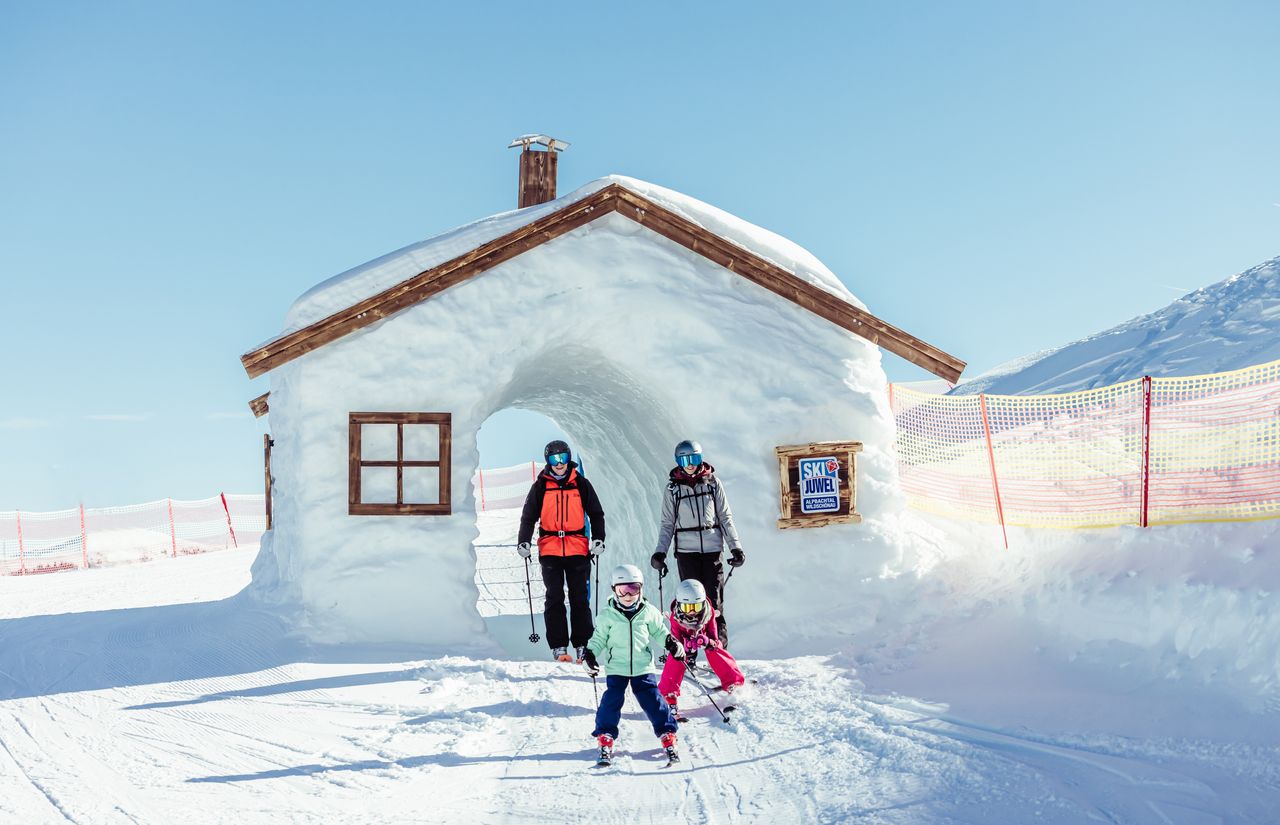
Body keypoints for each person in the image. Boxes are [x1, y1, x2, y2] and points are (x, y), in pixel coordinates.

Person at [581, 564, 683, 765]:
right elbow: (598, 638)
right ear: (614, 590)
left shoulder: (648, 612)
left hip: (642, 667)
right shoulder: (607, 615)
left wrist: (671, 642)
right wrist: (590, 654)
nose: (628, 595)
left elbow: (660, 632)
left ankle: (667, 732)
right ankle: (605, 735)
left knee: (653, 700)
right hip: (616, 667)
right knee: (612, 700)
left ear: (641, 589)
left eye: (633, 589)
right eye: (622, 590)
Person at [650, 439, 745, 648]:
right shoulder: (673, 489)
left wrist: (735, 547)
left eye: (694, 458)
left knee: (714, 601)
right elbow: (667, 523)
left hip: (712, 550)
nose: (690, 464)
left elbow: (725, 517)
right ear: (678, 461)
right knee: (689, 604)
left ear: (700, 458)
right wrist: (660, 553)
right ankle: (688, 651)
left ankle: (719, 650)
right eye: (685, 459)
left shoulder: (713, 483)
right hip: (686, 552)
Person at [517, 440, 606, 664]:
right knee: (554, 597)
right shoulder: (540, 486)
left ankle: (583, 644)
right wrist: (523, 542)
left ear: (569, 459)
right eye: (554, 459)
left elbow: (596, 513)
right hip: (550, 549)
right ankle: (559, 645)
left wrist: (598, 539)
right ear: (548, 461)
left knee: (579, 598)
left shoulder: (581, 484)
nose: (559, 464)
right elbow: (528, 517)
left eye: (563, 458)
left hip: (577, 548)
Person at [657, 579, 745, 713]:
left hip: (703, 639)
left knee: (715, 651)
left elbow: (715, 641)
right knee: (676, 655)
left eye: (696, 607)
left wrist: (707, 642)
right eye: (687, 607)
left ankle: (734, 682)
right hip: (685, 644)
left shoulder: (708, 614)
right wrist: (684, 647)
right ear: (680, 604)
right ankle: (668, 693)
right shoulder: (676, 618)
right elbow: (675, 640)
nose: (692, 612)